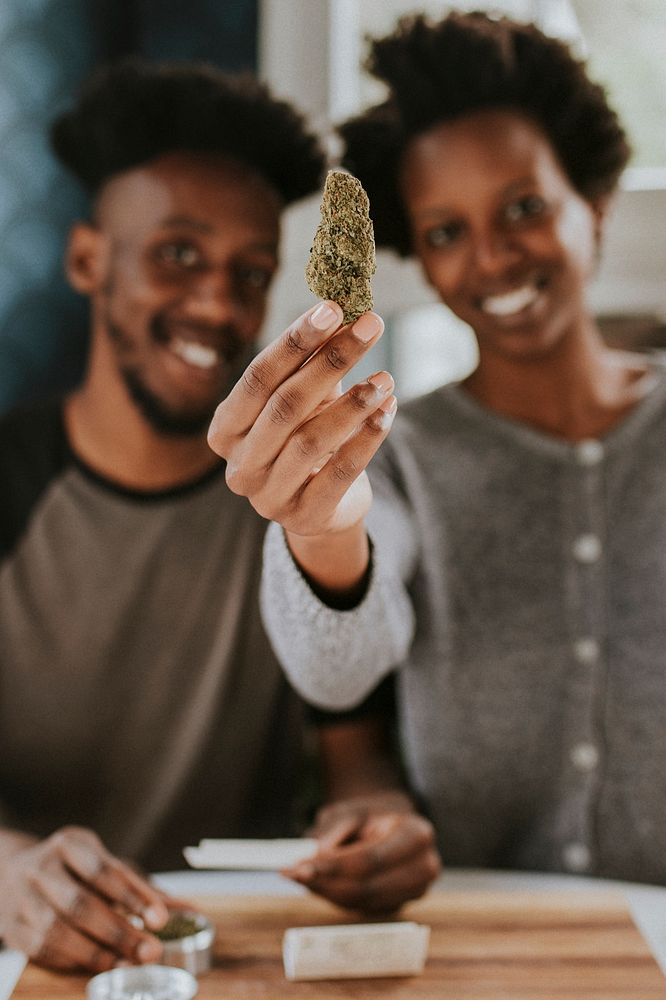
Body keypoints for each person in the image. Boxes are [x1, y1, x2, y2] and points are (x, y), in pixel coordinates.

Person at [208, 10, 666, 888]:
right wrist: (321, 525)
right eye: (447, 232)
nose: (492, 257)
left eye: (525, 207)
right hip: (477, 943)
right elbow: (339, 672)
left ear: (596, 206)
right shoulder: (397, 449)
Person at [0, 59, 439, 975]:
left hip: (242, 962)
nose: (218, 303)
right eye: (178, 255)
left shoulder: (292, 491)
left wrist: (376, 823)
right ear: (88, 260)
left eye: (251, 272)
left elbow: (356, 759)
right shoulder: (12, 482)